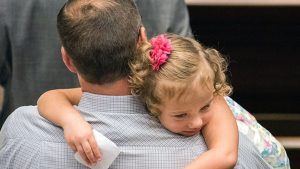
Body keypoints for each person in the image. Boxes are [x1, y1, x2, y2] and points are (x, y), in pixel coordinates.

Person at [0, 0, 276, 168]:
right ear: (143, 40)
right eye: (182, 114)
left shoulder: (19, 135)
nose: (194, 121)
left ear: (68, 59)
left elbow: (49, 98)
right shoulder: (230, 150)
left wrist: (72, 120)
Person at [38, 34, 290, 169]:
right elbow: (50, 98)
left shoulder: (212, 102)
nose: (197, 121)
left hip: (271, 159)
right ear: (149, 101)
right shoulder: (143, 92)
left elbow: (224, 155)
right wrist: (71, 120)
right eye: (181, 115)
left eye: (203, 107)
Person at [0, 0, 193, 128]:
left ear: (67, 58)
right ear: (142, 40)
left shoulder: (11, 5)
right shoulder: (164, 4)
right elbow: (188, 73)